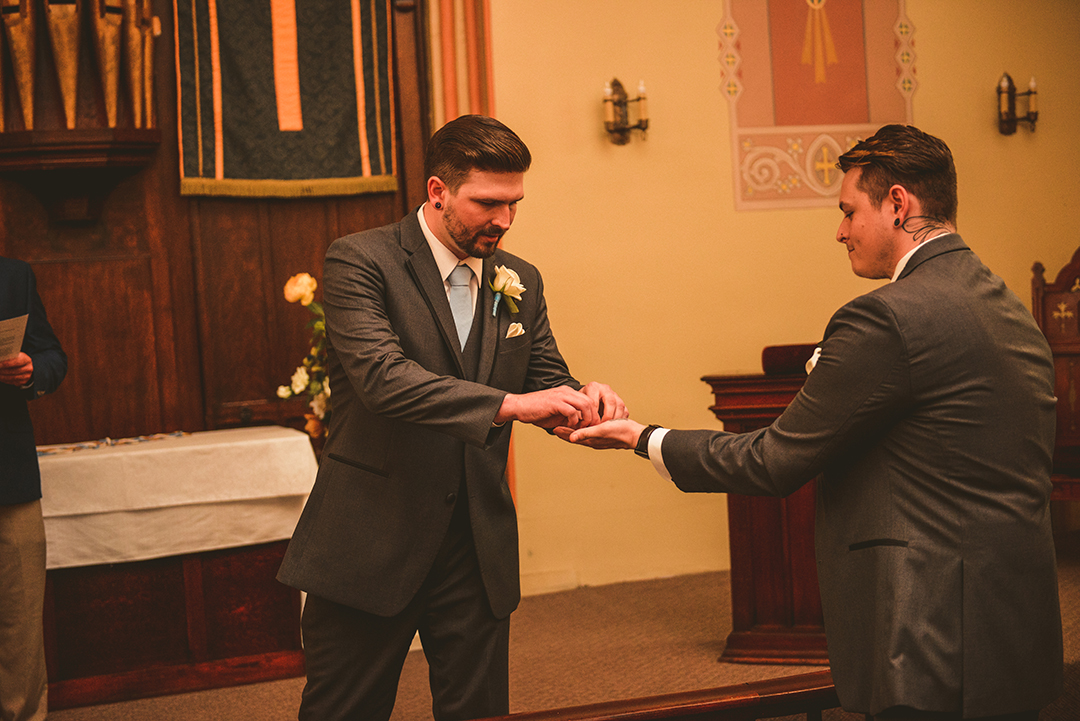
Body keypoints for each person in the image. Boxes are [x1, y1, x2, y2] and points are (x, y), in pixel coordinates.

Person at [560, 124, 1062, 721]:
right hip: (1017, 614)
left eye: (849, 210)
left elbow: (773, 462)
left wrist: (639, 437)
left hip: (931, 630)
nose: (841, 229)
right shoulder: (1010, 308)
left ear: (898, 204)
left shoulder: (887, 318)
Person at [277, 114, 626, 721]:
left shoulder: (520, 279)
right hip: (373, 534)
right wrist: (511, 405)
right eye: (488, 203)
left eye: (515, 203)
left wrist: (584, 402)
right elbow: (384, 381)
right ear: (438, 192)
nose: (505, 220)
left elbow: (543, 376)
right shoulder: (361, 261)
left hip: (476, 538)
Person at [0, 256, 67, 721]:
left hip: (9, 475)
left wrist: (30, 371)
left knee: (20, 620)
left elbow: (50, 356)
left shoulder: (13, 276)